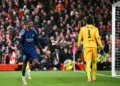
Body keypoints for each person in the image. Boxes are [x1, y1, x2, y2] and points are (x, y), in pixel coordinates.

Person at [77, 15, 103, 82]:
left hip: (86, 47)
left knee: (88, 62)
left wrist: (78, 45)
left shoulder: (82, 29)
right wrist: (101, 45)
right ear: (93, 21)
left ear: (86, 22)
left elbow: (79, 38)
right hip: (94, 47)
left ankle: (89, 78)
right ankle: (94, 76)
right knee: (94, 62)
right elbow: (97, 38)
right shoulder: (95, 29)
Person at [18, 20, 42, 85]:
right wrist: (22, 49)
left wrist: (40, 48)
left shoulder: (34, 31)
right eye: (30, 24)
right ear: (27, 24)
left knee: (37, 62)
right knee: (25, 63)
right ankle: (23, 76)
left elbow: (37, 41)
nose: (31, 25)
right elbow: (20, 41)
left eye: (32, 24)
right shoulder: (23, 32)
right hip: (25, 49)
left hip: (32, 49)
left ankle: (29, 70)